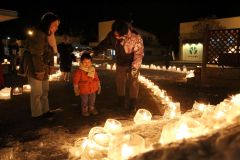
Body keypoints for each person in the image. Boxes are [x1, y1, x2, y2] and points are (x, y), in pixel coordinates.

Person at [93, 20, 144, 112]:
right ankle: (121, 102)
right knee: (120, 82)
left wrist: (135, 67)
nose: (115, 36)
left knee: (133, 82)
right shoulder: (112, 35)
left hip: (133, 62)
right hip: (121, 62)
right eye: (115, 34)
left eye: (118, 35)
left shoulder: (135, 38)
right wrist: (95, 51)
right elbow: (104, 44)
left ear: (124, 33)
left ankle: (133, 104)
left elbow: (139, 54)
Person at [24, 12, 60, 118]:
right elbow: (36, 54)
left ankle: (45, 110)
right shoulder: (39, 34)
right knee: (37, 92)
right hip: (35, 67)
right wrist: (39, 71)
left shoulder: (49, 35)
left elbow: (52, 52)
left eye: (57, 26)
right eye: (54, 25)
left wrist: (51, 65)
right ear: (47, 23)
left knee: (45, 90)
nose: (56, 28)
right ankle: (37, 113)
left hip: (44, 66)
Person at [72, 52, 100, 117]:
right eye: (85, 62)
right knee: (84, 100)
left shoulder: (92, 70)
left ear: (91, 62)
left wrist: (98, 85)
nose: (87, 64)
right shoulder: (79, 71)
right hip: (84, 89)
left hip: (92, 89)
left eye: (88, 62)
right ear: (81, 62)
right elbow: (75, 81)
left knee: (92, 99)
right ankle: (84, 110)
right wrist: (76, 88)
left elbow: (96, 78)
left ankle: (91, 108)